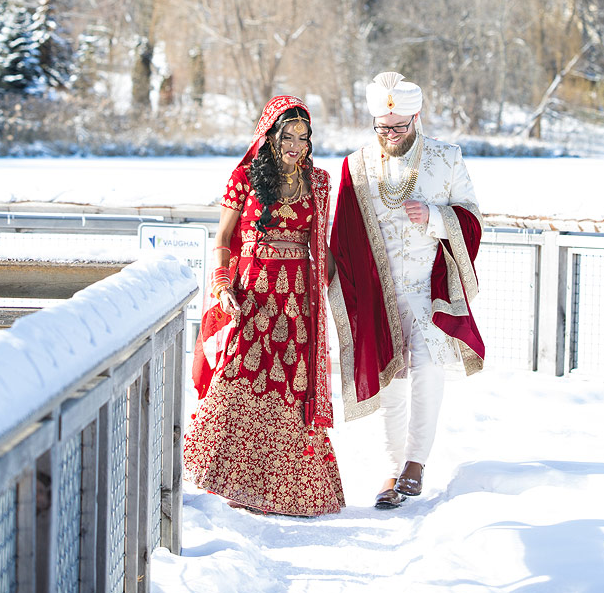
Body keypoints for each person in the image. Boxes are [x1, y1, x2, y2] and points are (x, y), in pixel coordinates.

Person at [328, 71, 484, 509]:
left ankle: (416, 462)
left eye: (398, 127)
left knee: (430, 371)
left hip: (427, 287)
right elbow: (343, 231)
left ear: (417, 117)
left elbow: (472, 216)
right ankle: (390, 469)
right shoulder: (356, 165)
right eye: (382, 128)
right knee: (390, 378)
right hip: (380, 289)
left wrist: (435, 217)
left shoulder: (446, 157)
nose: (390, 135)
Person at [184, 95, 344, 517]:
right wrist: (221, 287)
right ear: (269, 135)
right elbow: (221, 239)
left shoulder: (320, 182)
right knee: (238, 375)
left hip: (296, 300)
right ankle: (234, 478)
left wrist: (352, 296)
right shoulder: (244, 178)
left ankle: (287, 490)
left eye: (304, 137)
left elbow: (322, 248)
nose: (296, 144)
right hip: (252, 294)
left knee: (293, 384)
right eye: (287, 135)